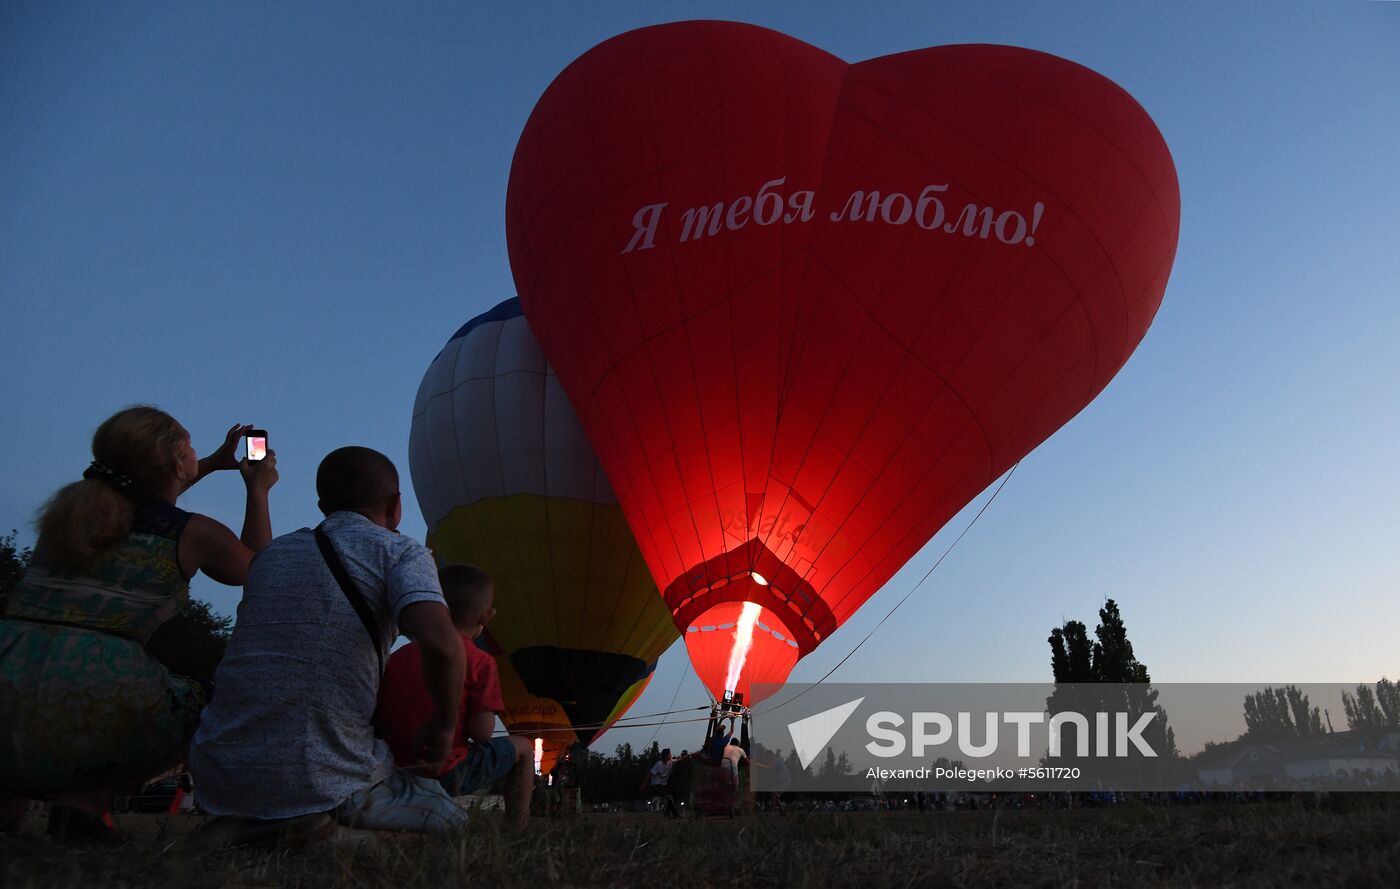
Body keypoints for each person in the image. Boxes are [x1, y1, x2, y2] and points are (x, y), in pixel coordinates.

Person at [0, 407, 275, 843]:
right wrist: (257, 490)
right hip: (95, 682)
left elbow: (141, 500)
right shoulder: (193, 533)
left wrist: (208, 466)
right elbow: (262, 573)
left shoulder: (69, 518)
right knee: (222, 698)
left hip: (9, 669)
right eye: (189, 446)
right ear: (176, 464)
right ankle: (87, 803)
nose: (195, 451)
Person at [189, 446, 467, 840]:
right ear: (396, 505)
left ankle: (246, 825)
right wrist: (442, 728)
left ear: (322, 505)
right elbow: (443, 643)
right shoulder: (400, 551)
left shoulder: (271, 556)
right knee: (452, 820)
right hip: (321, 776)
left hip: (221, 773)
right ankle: (320, 830)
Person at [374, 564, 533, 830]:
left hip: (391, 769)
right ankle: (517, 828)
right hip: (446, 771)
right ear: (487, 616)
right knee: (525, 749)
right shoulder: (481, 662)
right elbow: (482, 733)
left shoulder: (397, 658)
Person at [639, 748, 680, 817]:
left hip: (663, 784)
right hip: (656, 785)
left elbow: (680, 759)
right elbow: (650, 774)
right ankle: (675, 814)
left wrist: (691, 755)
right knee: (668, 797)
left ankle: (667, 812)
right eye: (669, 754)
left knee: (670, 797)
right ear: (666, 756)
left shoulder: (670, 762)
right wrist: (643, 785)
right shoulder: (658, 765)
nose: (671, 755)